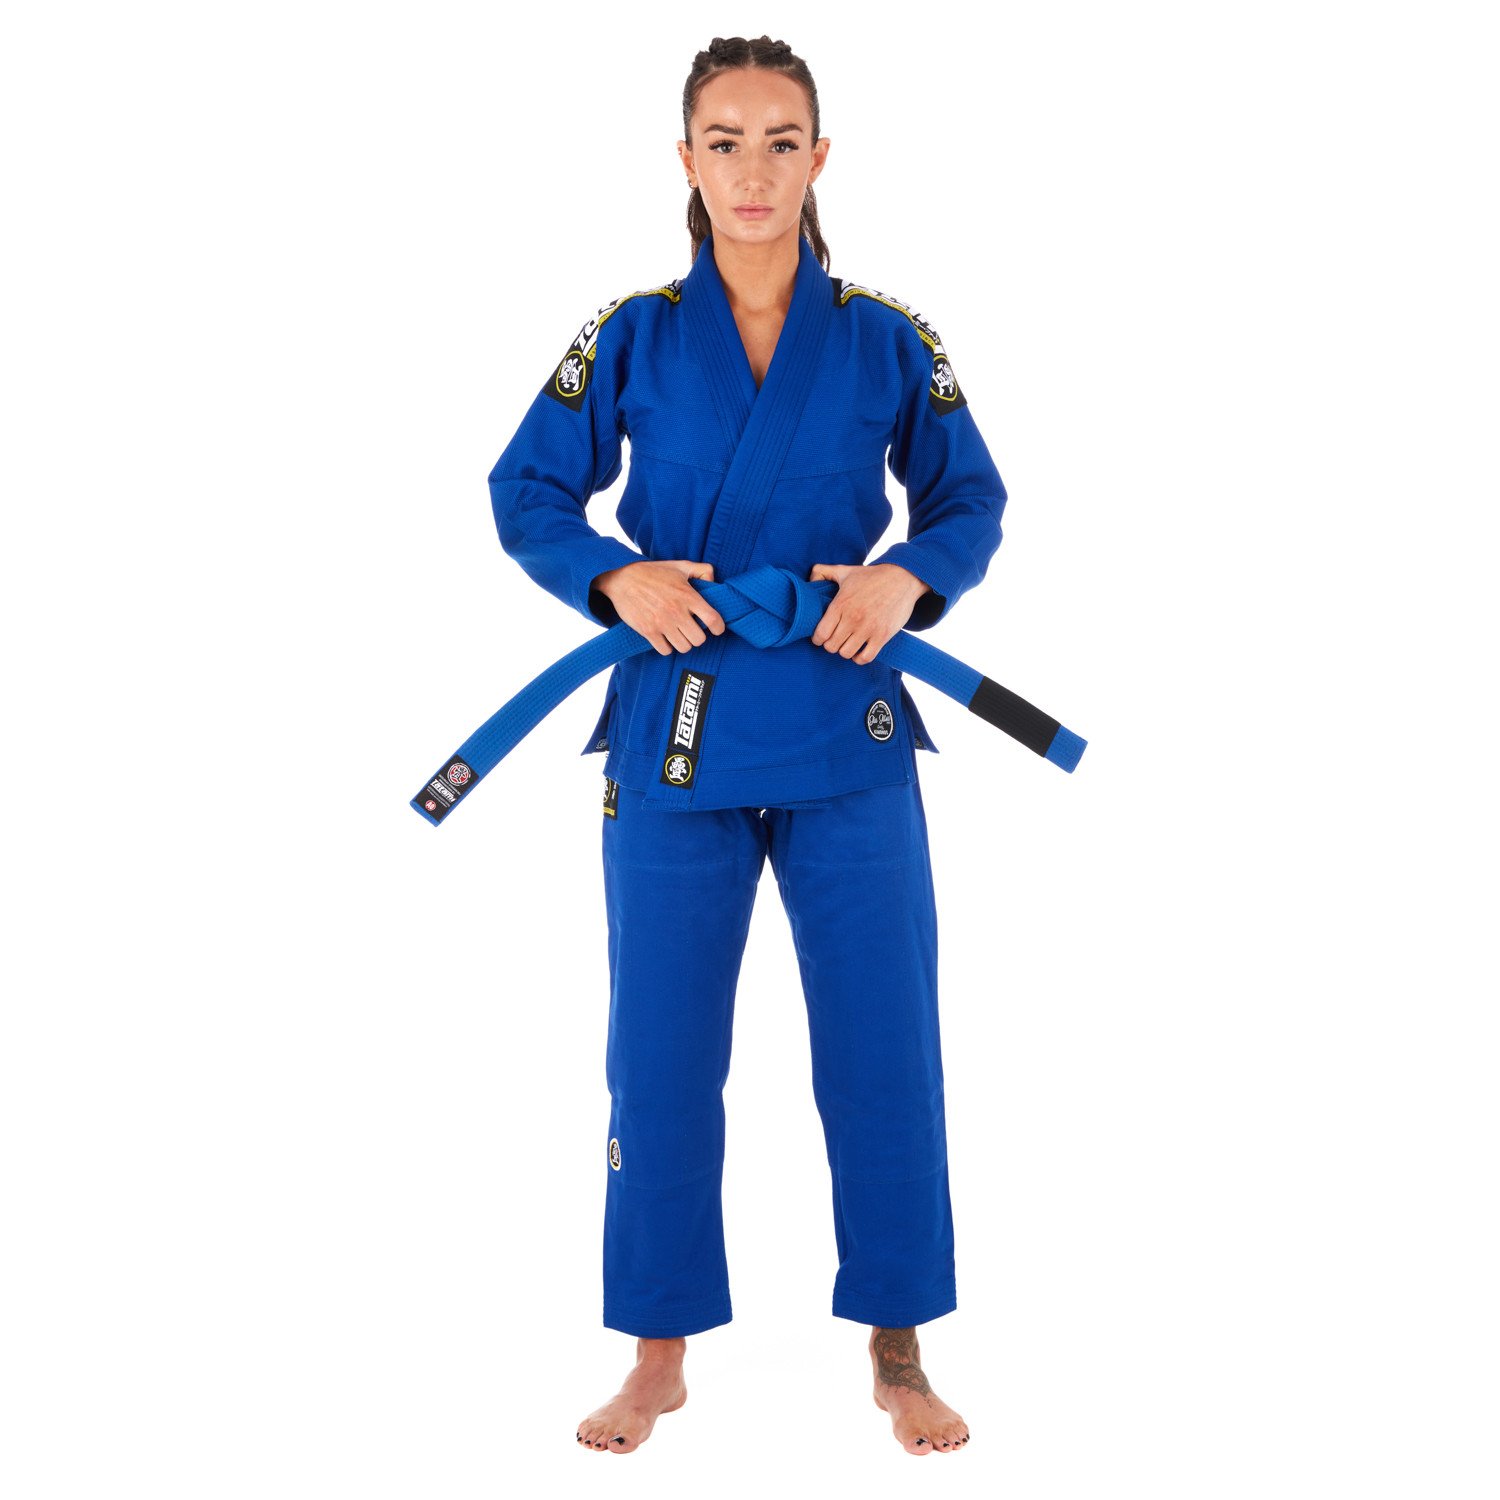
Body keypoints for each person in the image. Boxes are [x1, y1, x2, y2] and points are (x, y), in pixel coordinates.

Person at [488, 35, 1007, 1456]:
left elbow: (968, 499)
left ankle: (898, 1347)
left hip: (847, 720)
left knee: (884, 1047)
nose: (754, 170)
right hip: (679, 727)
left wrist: (909, 579)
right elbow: (528, 488)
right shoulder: (633, 333)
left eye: (783, 141)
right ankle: (656, 1351)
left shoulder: (887, 336)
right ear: (687, 160)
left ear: (820, 158)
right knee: (657, 1055)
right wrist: (613, 576)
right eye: (725, 141)